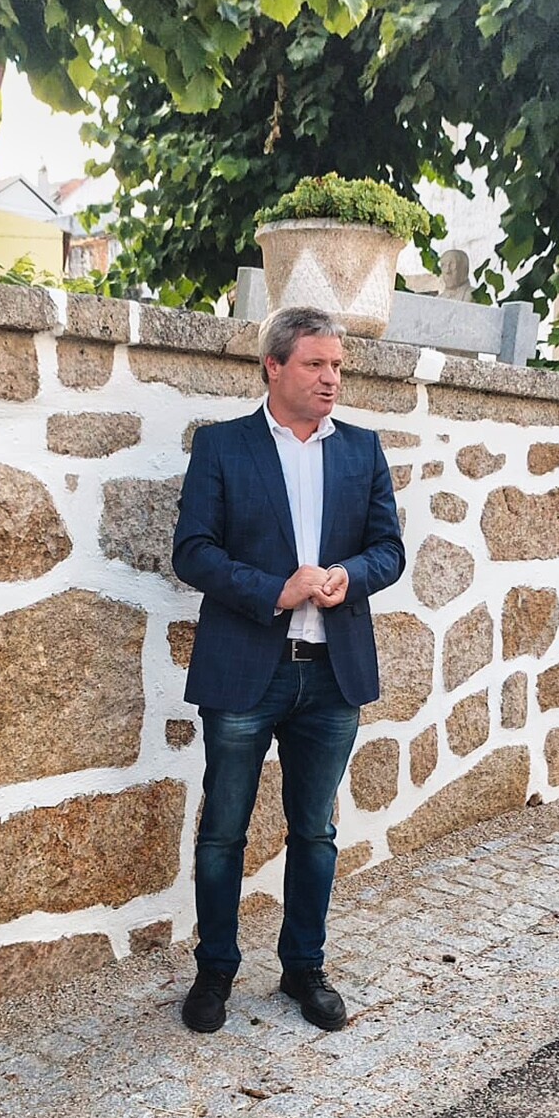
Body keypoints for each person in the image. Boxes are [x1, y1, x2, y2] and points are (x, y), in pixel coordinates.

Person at [170, 305, 406, 1034]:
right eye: (315, 364)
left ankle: (304, 966)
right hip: (248, 670)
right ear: (273, 367)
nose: (331, 378)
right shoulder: (222, 446)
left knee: (315, 832)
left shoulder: (362, 449)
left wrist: (348, 575)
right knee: (223, 832)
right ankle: (215, 970)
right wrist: (276, 590)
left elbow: (389, 550)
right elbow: (193, 551)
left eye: (337, 365)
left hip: (332, 675)